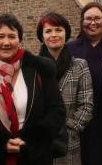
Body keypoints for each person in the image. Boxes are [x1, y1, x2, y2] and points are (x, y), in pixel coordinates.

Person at [0, 13, 66, 165]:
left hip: (35, 156)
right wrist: (0, 142)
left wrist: (28, 140)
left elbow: (56, 111)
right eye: (1, 36)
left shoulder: (39, 69)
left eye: (12, 36)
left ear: (19, 40)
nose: (6, 42)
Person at [37, 12, 93, 165]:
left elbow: (86, 106)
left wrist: (66, 127)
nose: (53, 35)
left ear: (66, 33)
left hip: (69, 143)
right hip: (40, 142)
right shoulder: (33, 67)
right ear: (42, 37)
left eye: (58, 30)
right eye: (48, 31)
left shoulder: (80, 65)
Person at [66, 2, 102, 165]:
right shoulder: (70, 48)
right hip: (77, 124)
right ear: (82, 21)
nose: (93, 23)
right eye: (88, 19)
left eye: (97, 18)